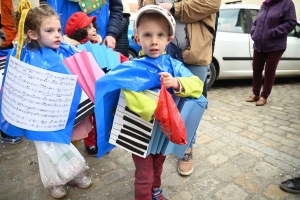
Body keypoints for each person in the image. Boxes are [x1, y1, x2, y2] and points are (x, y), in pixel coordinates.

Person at [106, 5, 203, 199]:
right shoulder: (131, 67)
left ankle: (156, 191)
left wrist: (177, 83)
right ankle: (143, 195)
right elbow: (124, 90)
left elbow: (197, 85)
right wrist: (154, 106)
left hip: (163, 132)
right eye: (147, 35)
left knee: (158, 164)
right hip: (139, 132)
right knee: (144, 173)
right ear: (137, 38)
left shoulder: (174, 66)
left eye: (160, 35)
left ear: (168, 39)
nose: (154, 41)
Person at [11, 3, 92, 199]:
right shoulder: (24, 55)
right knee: (48, 148)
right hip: (43, 117)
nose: (57, 35)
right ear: (32, 34)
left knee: (74, 139)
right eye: (50, 30)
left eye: (58, 29)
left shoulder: (66, 49)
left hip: (72, 110)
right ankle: (54, 180)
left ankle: (73, 172)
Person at [140, 0, 221, 176]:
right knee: (162, 101)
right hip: (164, 49)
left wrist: (174, 9)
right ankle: (162, 140)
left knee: (191, 102)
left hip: (195, 50)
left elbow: (212, 3)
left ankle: (186, 148)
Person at [63, 11, 129, 155]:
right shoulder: (73, 51)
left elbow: (114, 56)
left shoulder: (98, 45)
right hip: (84, 92)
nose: (94, 30)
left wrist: (125, 61)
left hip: (100, 88)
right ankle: (90, 142)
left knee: (101, 116)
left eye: (93, 26)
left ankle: (101, 141)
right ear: (80, 32)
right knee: (88, 118)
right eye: (89, 27)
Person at [246, 0, 297, 106]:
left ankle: (264, 96)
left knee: (269, 70)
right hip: (259, 43)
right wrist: (254, 32)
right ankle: (256, 93)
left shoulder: (287, 3)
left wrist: (272, 33)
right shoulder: (266, 4)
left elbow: (291, 22)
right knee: (256, 68)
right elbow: (257, 21)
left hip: (275, 45)